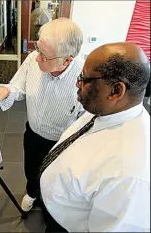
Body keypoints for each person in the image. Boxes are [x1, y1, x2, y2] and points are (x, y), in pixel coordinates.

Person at [0, 18, 84, 212]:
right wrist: (6, 91)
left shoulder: (83, 78)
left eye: (44, 56)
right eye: (38, 49)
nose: (37, 57)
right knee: (31, 169)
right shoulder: (34, 59)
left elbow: (86, 120)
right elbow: (18, 87)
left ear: (67, 60)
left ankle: (52, 203)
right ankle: (32, 193)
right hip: (33, 132)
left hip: (62, 142)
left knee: (56, 178)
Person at [39, 42, 150, 232]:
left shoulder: (128, 173)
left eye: (84, 79)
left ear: (116, 91)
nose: (77, 83)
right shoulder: (105, 110)